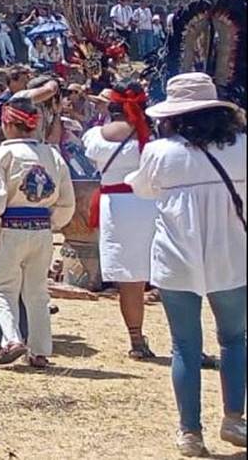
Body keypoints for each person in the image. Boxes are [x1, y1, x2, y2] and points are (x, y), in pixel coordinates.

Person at [127, 73, 246, 456]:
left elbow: (143, 188)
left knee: (185, 345)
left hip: (177, 258)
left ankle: (190, 432)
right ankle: (234, 417)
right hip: (232, 255)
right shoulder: (242, 146)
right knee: (234, 339)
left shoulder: (161, 152)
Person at [0, 96, 75, 368]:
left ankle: (11, 339)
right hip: (42, 228)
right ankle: (40, 349)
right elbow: (66, 199)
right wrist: (51, 224)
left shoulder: (2, 154)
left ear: (8, 124)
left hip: (11, 227)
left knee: (2, 289)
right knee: (37, 291)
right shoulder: (52, 154)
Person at [81, 82, 157, 360]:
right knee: (168, 275)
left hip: (115, 208)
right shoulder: (151, 137)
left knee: (130, 280)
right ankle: (184, 340)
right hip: (149, 204)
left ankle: (136, 339)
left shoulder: (94, 136)